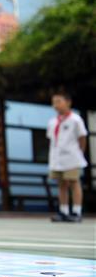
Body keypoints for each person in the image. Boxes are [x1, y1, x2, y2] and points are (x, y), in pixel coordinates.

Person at [47, 91, 88, 223]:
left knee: (74, 182)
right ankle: (63, 211)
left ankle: (76, 211)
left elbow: (82, 137)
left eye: (59, 101)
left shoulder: (76, 119)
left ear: (68, 102)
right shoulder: (52, 122)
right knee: (61, 184)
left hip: (72, 157)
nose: (55, 105)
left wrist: (80, 152)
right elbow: (51, 140)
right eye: (54, 102)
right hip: (57, 158)